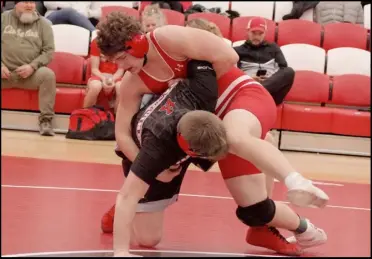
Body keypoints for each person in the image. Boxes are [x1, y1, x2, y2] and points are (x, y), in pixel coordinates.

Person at [96, 12, 328, 255]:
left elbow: (230, 56)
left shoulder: (167, 39)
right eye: (115, 62)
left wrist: (191, 87)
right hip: (185, 131)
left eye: (123, 57)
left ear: (138, 41)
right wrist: (148, 167)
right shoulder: (133, 83)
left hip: (231, 102)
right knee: (148, 239)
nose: (121, 67)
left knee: (239, 147)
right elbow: (122, 135)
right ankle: (130, 206)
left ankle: (296, 185)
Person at [106, 59, 229, 256]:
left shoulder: (204, 91)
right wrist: (121, 252)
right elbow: (126, 196)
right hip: (141, 150)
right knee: (149, 239)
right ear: (187, 150)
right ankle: (124, 213)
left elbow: (198, 50)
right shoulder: (157, 148)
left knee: (244, 141)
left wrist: (176, 72)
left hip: (190, 128)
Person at [1, 1, 56, 136]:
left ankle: (46, 121)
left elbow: (49, 51)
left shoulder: (44, 24)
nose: (29, 5)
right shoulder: (3, 19)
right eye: (25, 1)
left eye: (32, 2)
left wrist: (32, 66)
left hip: (30, 75)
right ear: (15, 3)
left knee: (48, 75)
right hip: (4, 73)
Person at [234, 17, 295, 106]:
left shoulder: (273, 48)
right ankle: (257, 90)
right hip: (249, 87)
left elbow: (283, 70)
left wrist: (271, 80)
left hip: (271, 93)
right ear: (247, 31)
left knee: (289, 71)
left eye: (260, 33)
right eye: (253, 33)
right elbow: (235, 75)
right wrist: (250, 78)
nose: (256, 37)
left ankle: (259, 90)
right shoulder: (237, 51)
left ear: (265, 33)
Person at [83, 38, 124, 113]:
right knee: (96, 86)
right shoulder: (97, 42)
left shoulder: (122, 43)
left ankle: (117, 119)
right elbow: (94, 69)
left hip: (116, 76)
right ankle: (86, 115)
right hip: (99, 75)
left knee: (120, 87)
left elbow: (120, 70)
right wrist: (104, 79)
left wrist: (111, 80)